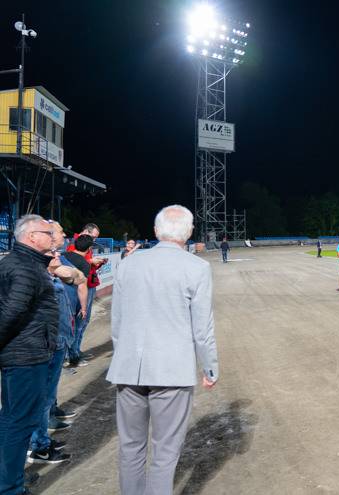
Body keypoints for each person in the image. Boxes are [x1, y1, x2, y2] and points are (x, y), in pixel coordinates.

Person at [107, 205, 219, 495]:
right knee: (165, 453)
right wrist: (209, 368)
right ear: (190, 233)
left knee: (130, 448)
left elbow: (117, 321)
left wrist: (124, 358)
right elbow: (201, 329)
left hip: (129, 368)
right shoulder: (197, 267)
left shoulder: (129, 263)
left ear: (156, 231)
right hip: (172, 371)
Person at [0, 215, 59, 494]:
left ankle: (8, 480)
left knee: (12, 419)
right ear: (31, 237)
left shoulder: (23, 263)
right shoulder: (24, 267)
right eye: (47, 233)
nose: (52, 237)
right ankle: (10, 487)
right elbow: (11, 313)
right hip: (25, 355)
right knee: (19, 422)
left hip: (23, 352)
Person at [28, 221, 85, 466]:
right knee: (38, 398)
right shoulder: (35, 269)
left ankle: (41, 439)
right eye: (59, 231)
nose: (63, 235)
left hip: (58, 337)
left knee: (46, 395)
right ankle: (38, 445)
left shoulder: (54, 263)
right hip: (46, 342)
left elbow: (78, 277)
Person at [64, 234, 98, 368]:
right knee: (77, 328)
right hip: (74, 301)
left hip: (62, 299)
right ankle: (73, 358)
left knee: (66, 330)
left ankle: (66, 356)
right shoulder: (84, 263)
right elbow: (81, 287)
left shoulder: (64, 255)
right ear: (89, 249)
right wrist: (83, 308)